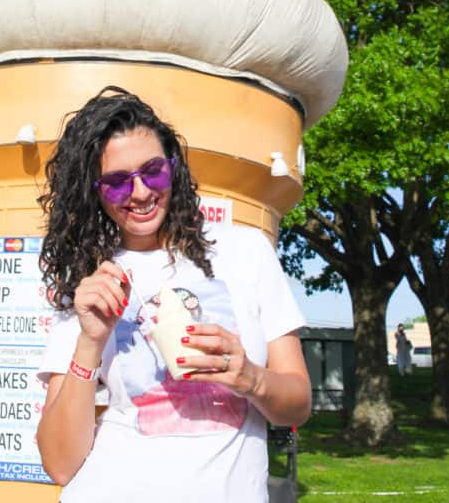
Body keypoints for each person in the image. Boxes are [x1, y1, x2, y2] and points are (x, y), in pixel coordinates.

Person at [36, 86, 312, 502]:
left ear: (174, 167)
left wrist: (250, 379)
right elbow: (60, 464)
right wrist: (90, 341)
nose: (141, 193)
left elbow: (298, 405)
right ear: (94, 193)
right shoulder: (90, 283)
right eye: (115, 183)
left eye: (153, 171)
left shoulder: (246, 252)